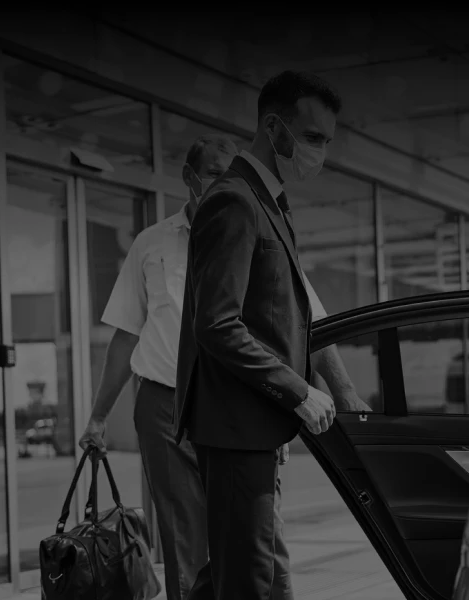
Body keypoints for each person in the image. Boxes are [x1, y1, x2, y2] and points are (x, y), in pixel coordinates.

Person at [83, 131, 364, 600]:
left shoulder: (260, 223)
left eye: (231, 170)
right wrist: (97, 416)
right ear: (190, 178)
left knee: (262, 538)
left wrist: (345, 394)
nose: (224, 180)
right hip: (165, 406)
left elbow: (308, 322)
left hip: (242, 403)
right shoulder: (151, 245)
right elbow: (125, 335)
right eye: (214, 172)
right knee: (185, 537)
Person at [174, 69, 348, 600]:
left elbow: (280, 315)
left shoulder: (268, 202)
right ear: (274, 129)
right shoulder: (234, 201)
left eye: (325, 141)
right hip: (233, 428)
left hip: (252, 425)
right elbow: (217, 325)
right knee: (245, 580)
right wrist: (297, 391)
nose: (319, 152)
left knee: (238, 573)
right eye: (312, 138)